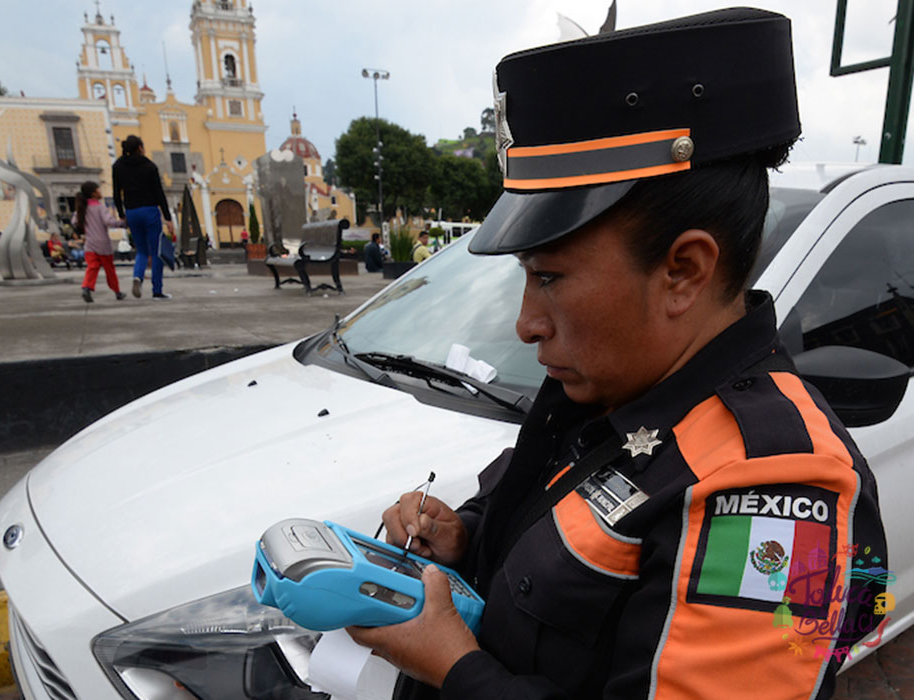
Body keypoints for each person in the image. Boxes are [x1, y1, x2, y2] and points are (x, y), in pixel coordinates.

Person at [347, 9, 887, 700]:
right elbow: (563, 544)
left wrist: (456, 668)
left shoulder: (776, 486)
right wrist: (467, 538)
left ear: (684, 271)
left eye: (549, 278)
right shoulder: (621, 388)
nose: (525, 324)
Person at [112, 134, 175, 300]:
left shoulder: (118, 166)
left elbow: (116, 193)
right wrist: (168, 218)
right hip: (149, 211)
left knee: (141, 250)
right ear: (140, 148)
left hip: (132, 212)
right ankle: (157, 290)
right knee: (156, 253)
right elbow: (159, 193)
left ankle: (137, 276)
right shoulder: (149, 166)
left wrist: (121, 214)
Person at [72, 180, 126, 303]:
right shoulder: (100, 207)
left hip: (89, 244)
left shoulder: (81, 209)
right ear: (93, 193)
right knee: (109, 270)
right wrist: (123, 223)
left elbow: (74, 222)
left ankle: (86, 287)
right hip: (103, 245)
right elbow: (109, 222)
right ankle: (117, 292)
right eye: (98, 189)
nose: (100, 192)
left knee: (92, 267)